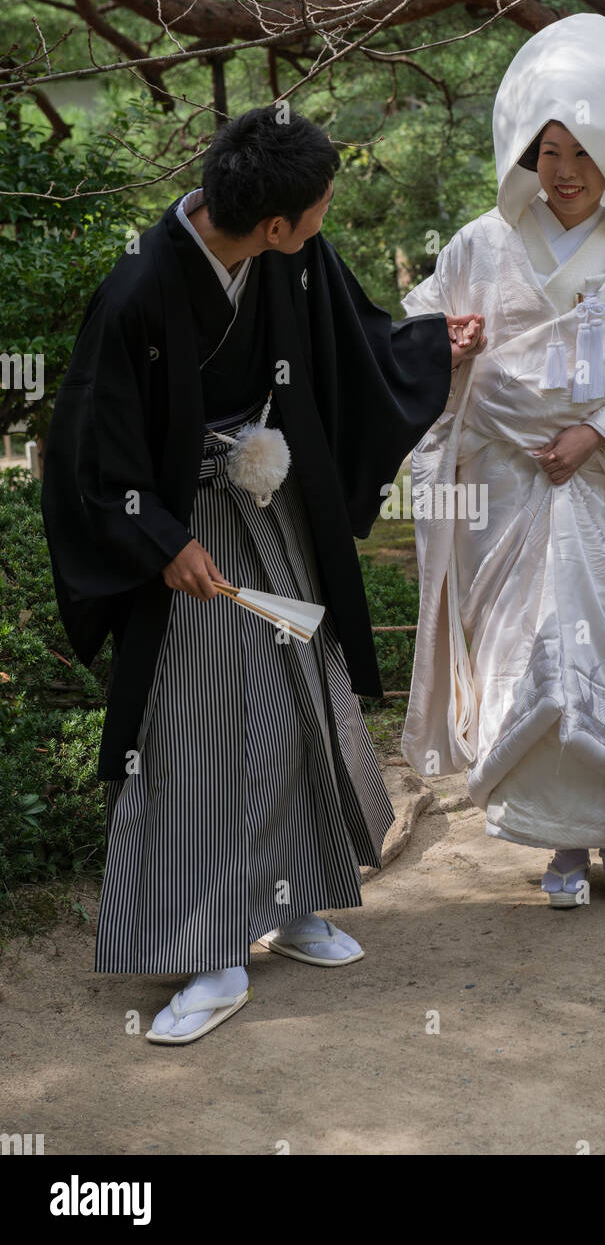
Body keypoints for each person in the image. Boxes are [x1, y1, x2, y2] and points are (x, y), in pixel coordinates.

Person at [40, 106, 485, 1043]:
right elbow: (91, 451)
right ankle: (209, 952)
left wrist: (431, 346)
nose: (326, 216)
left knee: (298, 703)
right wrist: (162, 543)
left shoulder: (286, 253)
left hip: (270, 500)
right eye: (319, 207)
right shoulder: (136, 292)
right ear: (273, 223)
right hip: (181, 534)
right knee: (198, 733)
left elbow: (351, 344)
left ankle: (298, 902)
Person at [400, 14, 605, 906]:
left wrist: (595, 432)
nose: (562, 172)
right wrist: (447, 341)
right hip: (502, 484)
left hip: (597, 482)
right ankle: (562, 848)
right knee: (523, 655)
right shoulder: (479, 244)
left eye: (580, 152)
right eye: (548, 151)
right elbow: (416, 327)